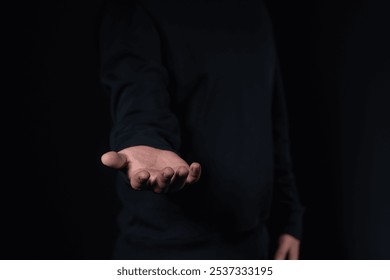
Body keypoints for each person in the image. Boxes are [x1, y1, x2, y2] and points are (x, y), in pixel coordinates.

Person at [98, 0, 304, 260]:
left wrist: (288, 219)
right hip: (168, 252)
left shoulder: (255, 9)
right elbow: (137, 97)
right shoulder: (134, 8)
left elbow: (273, 118)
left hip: (255, 243)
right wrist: (143, 140)